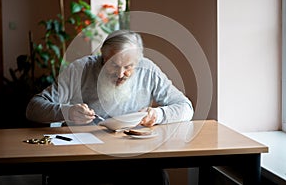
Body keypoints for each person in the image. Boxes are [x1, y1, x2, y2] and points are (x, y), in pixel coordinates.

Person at [26, 30, 194, 185]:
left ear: (138, 61)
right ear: (103, 57)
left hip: (132, 155)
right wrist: (67, 111)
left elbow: (186, 107)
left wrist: (158, 115)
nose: (120, 74)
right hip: (82, 157)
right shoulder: (79, 69)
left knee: (157, 176)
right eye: (113, 65)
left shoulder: (148, 70)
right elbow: (34, 107)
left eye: (128, 67)